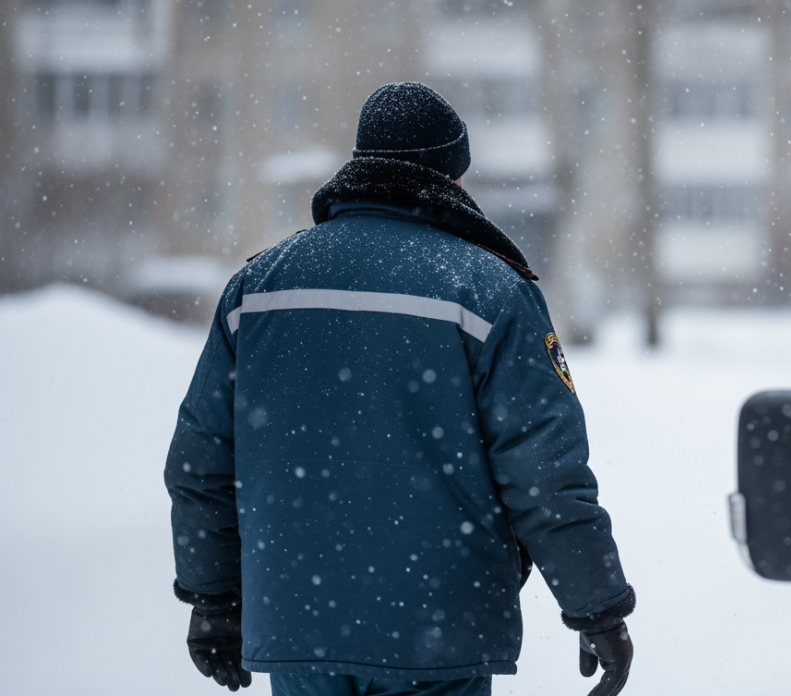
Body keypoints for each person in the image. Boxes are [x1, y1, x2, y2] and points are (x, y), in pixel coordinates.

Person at [164, 82, 634, 696]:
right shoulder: (488, 291)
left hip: (298, 626)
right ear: (450, 176)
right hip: (437, 630)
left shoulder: (257, 288)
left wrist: (213, 598)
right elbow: (542, 473)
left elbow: (200, 462)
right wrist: (597, 606)